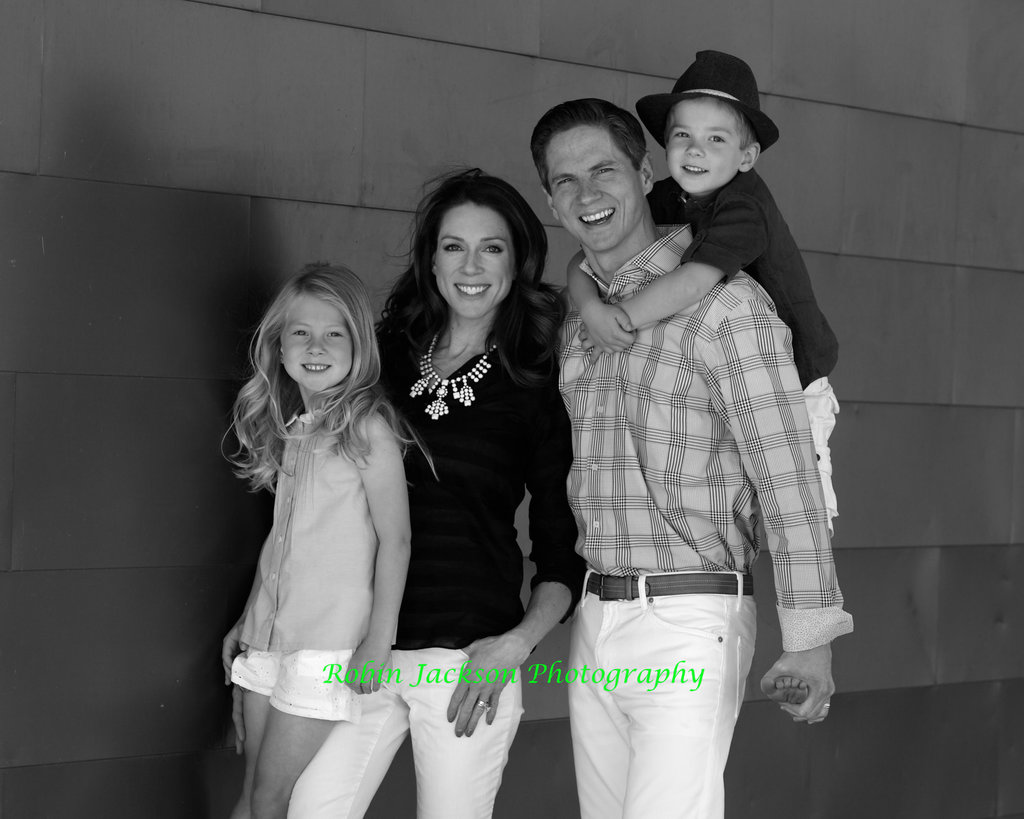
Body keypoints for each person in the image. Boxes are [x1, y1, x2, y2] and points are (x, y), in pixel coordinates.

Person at [530, 98, 853, 818]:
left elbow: (788, 477)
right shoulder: (580, 327)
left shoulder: (726, 307)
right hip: (596, 617)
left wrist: (810, 637)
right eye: (565, 181)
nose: (586, 194)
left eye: (605, 170)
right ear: (550, 200)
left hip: (689, 616)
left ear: (646, 174)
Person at [281, 169, 584, 818]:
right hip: (364, 646)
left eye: (491, 248)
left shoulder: (537, 383)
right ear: (432, 260)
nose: (471, 266)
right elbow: (312, 493)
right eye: (453, 246)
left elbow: (562, 552)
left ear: (517, 262)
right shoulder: (382, 359)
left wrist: (514, 646)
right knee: (310, 808)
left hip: (466, 661)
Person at [566, 50, 840, 534]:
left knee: (796, 505)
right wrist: (590, 309)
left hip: (794, 377)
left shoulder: (744, 207)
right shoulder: (669, 194)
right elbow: (585, 257)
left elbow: (695, 280)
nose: (696, 151)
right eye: (683, 136)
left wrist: (621, 318)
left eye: (716, 139)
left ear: (746, 157)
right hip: (721, 368)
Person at [221, 265, 413, 819]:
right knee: (252, 792)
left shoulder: (368, 427)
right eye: (301, 332)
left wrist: (379, 641)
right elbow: (283, 543)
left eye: (334, 334)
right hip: (271, 636)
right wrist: (247, 619)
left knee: (271, 796)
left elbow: (396, 540)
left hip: (326, 647)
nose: (316, 347)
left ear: (358, 346)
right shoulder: (296, 429)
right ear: (279, 347)